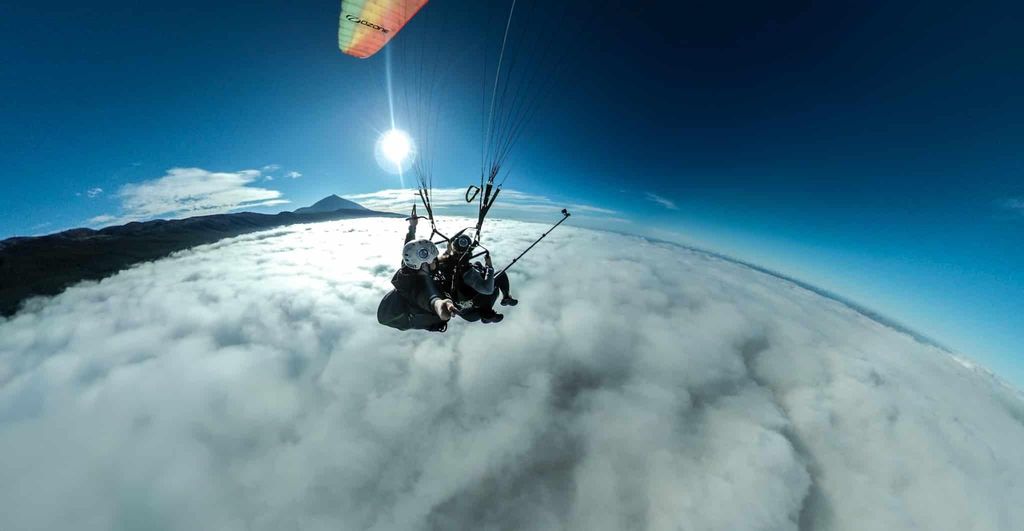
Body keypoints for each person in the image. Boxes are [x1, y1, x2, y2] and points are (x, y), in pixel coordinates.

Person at [376, 207, 458, 332]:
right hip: (422, 313)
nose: (436, 261)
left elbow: (409, 248)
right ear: (424, 265)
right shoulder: (419, 288)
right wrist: (440, 305)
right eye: (433, 259)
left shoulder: (410, 267)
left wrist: (412, 227)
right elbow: (430, 298)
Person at [436, 232, 517, 324]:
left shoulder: (443, 264)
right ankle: (505, 297)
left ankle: (487, 314)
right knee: (500, 275)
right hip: (474, 308)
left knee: (477, 264)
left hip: (463, 312)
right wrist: (489, 267)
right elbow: (488, 289)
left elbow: (446, 256)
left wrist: (448, 249)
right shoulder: (467, 272)